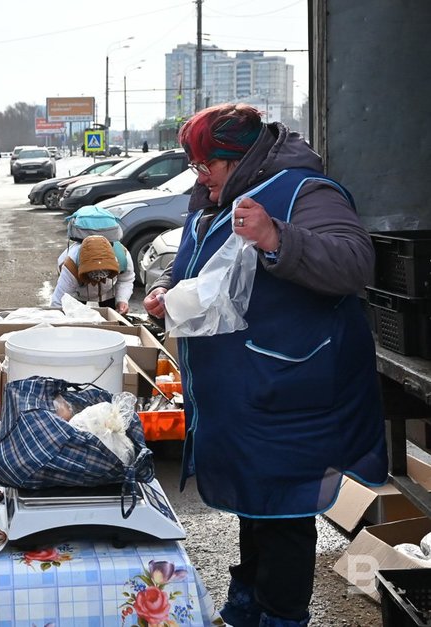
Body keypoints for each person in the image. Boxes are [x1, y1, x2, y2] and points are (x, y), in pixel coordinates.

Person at [143, 103, 387, 627]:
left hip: (292, 390)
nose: (198, 173)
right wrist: (166, 289)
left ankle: (280, 616)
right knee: (259, 506)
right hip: (243, 394)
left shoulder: (305, 192)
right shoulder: (215, 198)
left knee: (284, 513)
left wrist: (277, 237)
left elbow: (353, 262)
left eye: (207, 162)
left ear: (238, 156)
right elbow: (194, 269)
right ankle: (248, 605)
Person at [51, 235, 134, 314]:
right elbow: (59, 301)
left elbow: (125, 280)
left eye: (104, 275)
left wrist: (122, 300)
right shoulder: (71, 265)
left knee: (114, 315)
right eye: (93, 275)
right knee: (76, 317)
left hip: (109, 291)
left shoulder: (123, 257)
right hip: (78, 292)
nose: (98, 279)